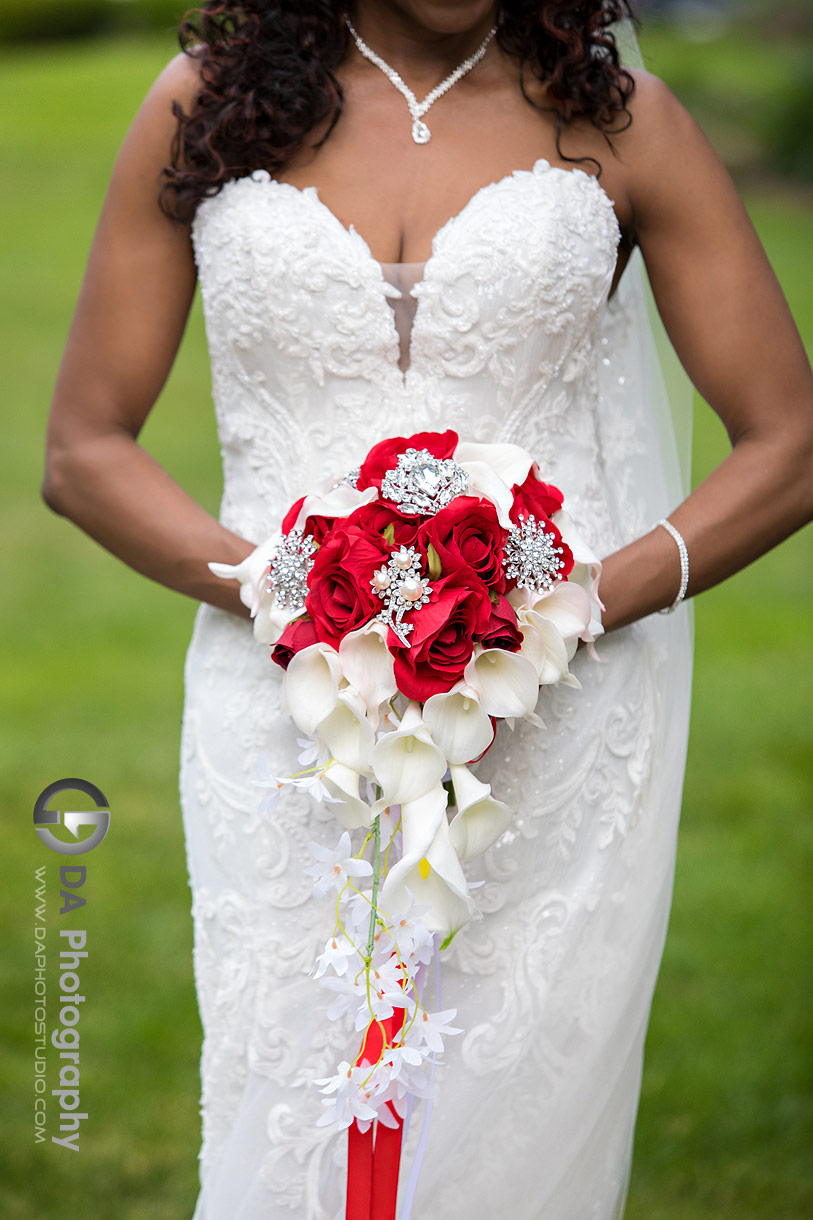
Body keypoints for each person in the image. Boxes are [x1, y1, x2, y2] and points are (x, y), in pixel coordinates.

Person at [42, 2, 813, 1217]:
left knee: (509, 1132)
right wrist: (283, 588)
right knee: (286, 1108)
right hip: (283, 712)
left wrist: (559, 608)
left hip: (557, 723)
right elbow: (83, 450)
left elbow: (792, 442)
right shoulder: (205, 107)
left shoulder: (621, 127)